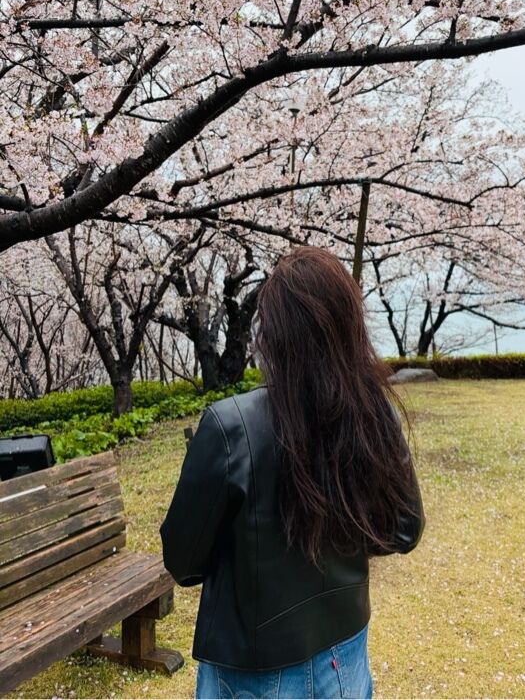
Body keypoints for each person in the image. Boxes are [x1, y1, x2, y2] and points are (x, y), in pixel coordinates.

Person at [161, 246, 425, 699]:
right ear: (349, 324)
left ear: (272, 332)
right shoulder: (371, 413)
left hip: (254, 669)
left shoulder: (231, 427)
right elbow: (403, 530)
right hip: (345, 652)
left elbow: (182, 562)